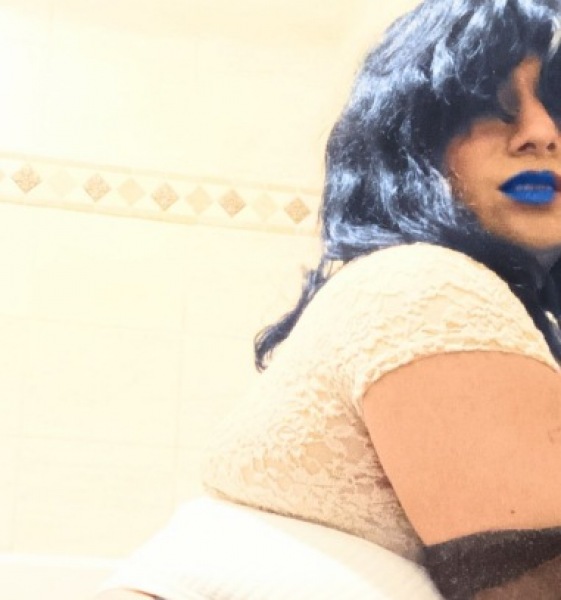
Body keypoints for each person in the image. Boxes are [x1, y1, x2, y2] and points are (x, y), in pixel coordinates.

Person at [96, 0, 561, 598]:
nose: (540, 134)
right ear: (412, 137)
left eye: (558, 105)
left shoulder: (411, 285)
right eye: (486, 106)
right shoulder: (429, 286)